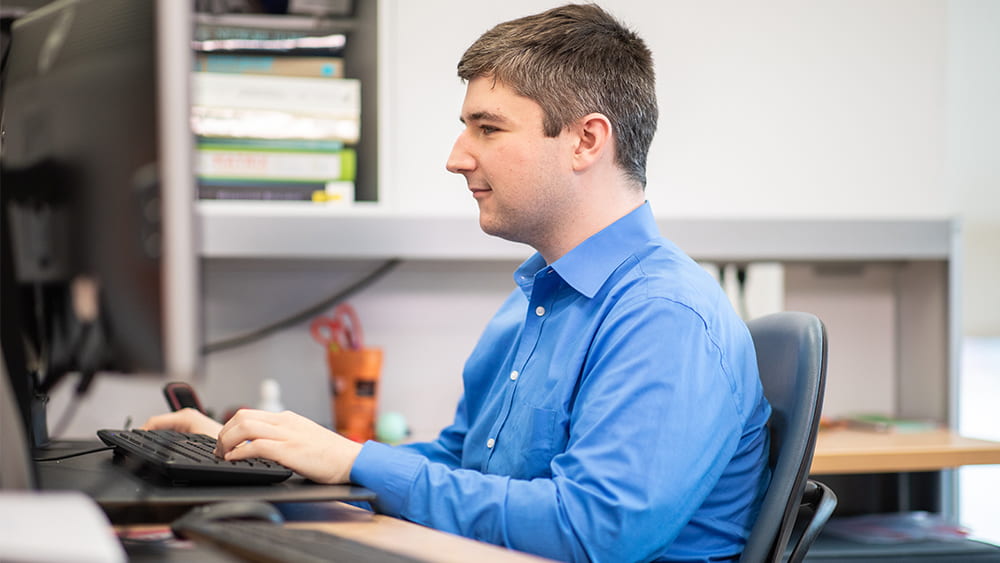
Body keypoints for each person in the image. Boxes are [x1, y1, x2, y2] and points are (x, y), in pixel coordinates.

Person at [145, 4, 772, 562]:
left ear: (586, 140)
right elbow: (462, 464)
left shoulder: (664, 315)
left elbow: (596, 533)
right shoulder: (533, 302)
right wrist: (277, 454)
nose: (457, 156)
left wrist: (354, 462)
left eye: (488, 128)